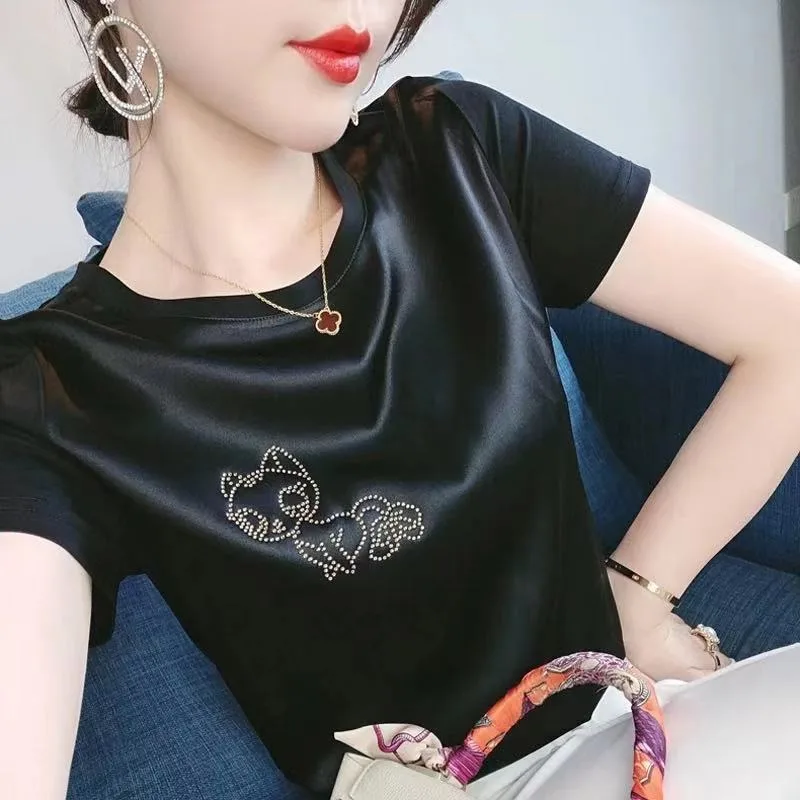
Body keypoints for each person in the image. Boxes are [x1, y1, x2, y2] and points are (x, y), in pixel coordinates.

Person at [1, 1, 798, 798]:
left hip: (633, 726)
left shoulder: (454, 152)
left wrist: (638, 594)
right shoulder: (55, 389)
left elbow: (786, 330)